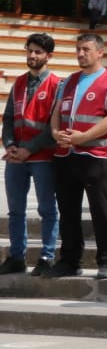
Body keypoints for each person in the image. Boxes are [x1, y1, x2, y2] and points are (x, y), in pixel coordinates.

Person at [47, 33, 107, 279]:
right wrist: (54, 132)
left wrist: (84, 137)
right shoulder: (67, 81)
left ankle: (106, 260)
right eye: (78, 49)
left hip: (96, 154)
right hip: (66, 154)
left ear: (100, 52)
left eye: (86, 49)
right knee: (68, 210)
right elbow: (56, 112)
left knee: (101, 209)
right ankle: (70, 260)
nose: (81, 54)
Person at [2, 33, 61, 276]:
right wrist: (10, 144)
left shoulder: (58, 84)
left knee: (47, 209)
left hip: (42, 157)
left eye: (38, 52)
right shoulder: (18, 83)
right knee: (15, 210)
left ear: (49, 56)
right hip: (16, 157)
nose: (32, 56)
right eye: (30, 51)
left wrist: (29, 148)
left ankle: (47, 255)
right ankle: (17, 256)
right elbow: (7, 119)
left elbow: (53, 127)